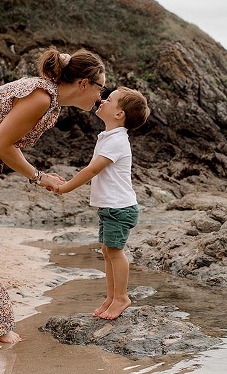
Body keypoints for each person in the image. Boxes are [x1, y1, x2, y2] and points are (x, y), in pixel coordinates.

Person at [0, 47, 106, 343]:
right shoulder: (42, 96)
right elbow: (1, 143)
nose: (101, 96)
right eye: (101, 87)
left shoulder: (49, 99)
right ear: (83, 84)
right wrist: (39, 177)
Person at [43, 86, 150, 320]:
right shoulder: (108, 136)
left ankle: (121, 297)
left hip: (120, 208)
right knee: (107, 251)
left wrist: (65, 187)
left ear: (119, 114)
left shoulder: (118, 140)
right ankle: (112, 296)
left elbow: (92, 170)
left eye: (109, 99)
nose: (102, 99)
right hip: (111, 208)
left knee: (115, 252)